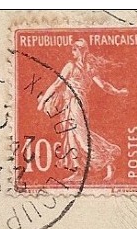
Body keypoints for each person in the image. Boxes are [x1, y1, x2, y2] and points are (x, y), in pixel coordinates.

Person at [36, 38, 128, 183]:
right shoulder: (78, 67)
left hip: (76, 104)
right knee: (73, 136)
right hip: (70, 103)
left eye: (76, 49)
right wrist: (118, 92)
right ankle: (80, 170)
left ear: (80, 51)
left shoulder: (80, 67)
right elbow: (57, 84)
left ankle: (107, 160)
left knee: (81, 138)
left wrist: (117, 92)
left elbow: (102, 85)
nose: (74, 52)